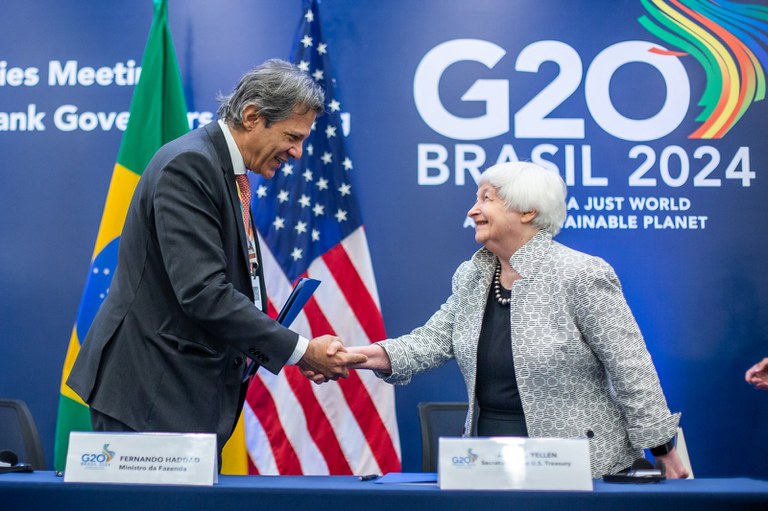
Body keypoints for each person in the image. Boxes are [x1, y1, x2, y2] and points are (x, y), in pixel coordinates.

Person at [67, 59, 366, 455]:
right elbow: (204, 293)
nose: (297, 153)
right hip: (150, 393)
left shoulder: (224, 170)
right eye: (293, 137)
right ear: (252, 116)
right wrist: (300, 350)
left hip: (181, 393)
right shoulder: (190, 166)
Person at [329, 161, 688, 478]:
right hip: (488, 457)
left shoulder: (581, 274)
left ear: (528, 210)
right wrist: (357, 356)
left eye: (486, 198)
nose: (472, 210)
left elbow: (631, 369)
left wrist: (663, 451)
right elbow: (429, 342)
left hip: (580, 467)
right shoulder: (472, 276)